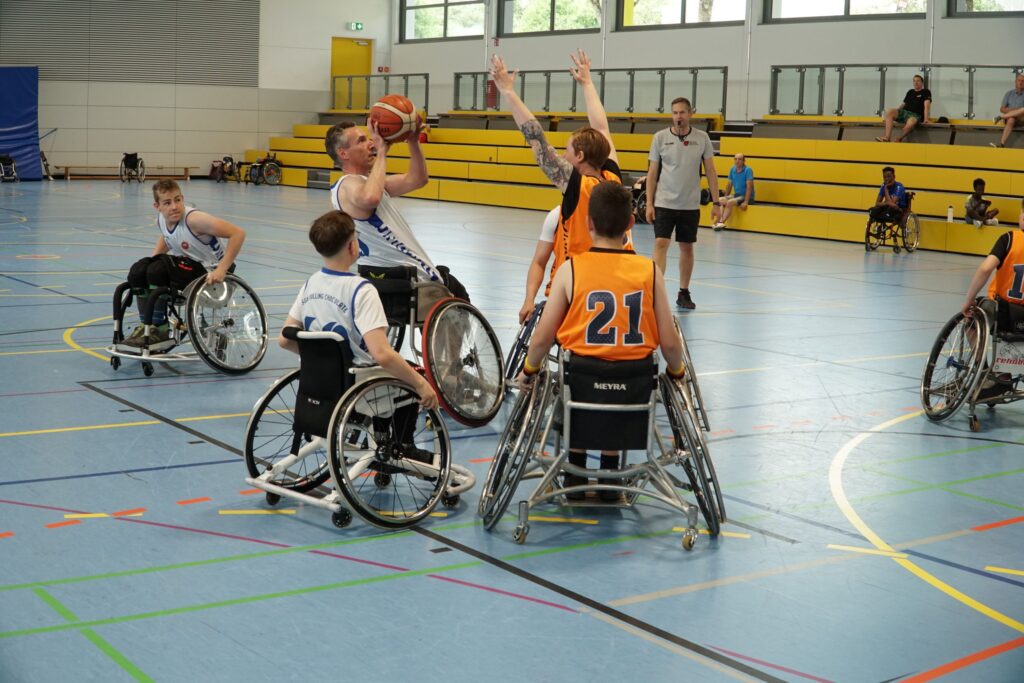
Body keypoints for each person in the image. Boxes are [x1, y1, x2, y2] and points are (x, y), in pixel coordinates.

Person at [518, 182, 685, 501]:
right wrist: (677, 374)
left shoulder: (571, 269)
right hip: (634, 386)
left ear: (589, 223)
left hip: (582, 382)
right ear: (631, 225)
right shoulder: (649, 270)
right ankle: (611, 475)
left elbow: (542, 338)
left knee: (573, 380)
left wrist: (528, 370)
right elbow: (670, 343)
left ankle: (575, 474)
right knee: (623, 386)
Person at [491, 49, 630, 304]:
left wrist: (508, 92)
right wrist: (587, 83)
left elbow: (537, 139)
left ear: (578, 156)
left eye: (566, 150)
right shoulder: (613, 176)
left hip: (578, 283)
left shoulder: (578, 183)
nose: (563, 156)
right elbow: (601, 127)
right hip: (618, 280)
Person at [279, 210, 438, 410]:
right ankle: (399, 439)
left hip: (318, 378)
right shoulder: (361, 290)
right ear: (352, 246)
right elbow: (382, 354)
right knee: (414, 375)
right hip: (356, 381)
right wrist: (421, 384)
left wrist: (323, 358)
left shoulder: (310, 284)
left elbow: (285, 340)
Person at [324, 120, 470, 302]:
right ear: (343, 153)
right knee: (457, 292)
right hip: (404, 277)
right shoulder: (348, 184)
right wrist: (382, 152)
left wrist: (414, 142)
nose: (370, 143)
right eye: (361, 141)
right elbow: (370, 198)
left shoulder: (367, 184)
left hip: (384, 276)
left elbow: (418, 179)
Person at [121, 179, 245, 347]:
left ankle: (160, 330)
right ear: (157, 207)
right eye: (167, 202)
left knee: (157, 270)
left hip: (214, 276)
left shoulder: (194, 219)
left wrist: (222, 269)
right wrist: (150, 263)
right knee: (139, 270)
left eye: (178, 200)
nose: (174, 206)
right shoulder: (161, 220)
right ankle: (147, 326)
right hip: (190, 270)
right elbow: (167, 237)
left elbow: (238, 233)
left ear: (183, 199)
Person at [645, 96, 720, 310]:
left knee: (687, 247)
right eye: (675, 112)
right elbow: (652, 173)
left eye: (682, 112)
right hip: (664, 202)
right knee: (661, 243)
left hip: (689, 204)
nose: (679, 116)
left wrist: (716, 202)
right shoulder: (659, 138)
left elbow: (711, 171)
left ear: (690, 114)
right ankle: (655, 291)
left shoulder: (702, 138)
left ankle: (684, 292)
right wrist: (649, 203)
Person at [959, 199, 1024, 398]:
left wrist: (968, 301)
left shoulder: (1011, 238)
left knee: (971, 318)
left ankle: (985, 372)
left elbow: (986, 268)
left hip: (1005, 313)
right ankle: (1001, 375)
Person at [518, 205, 560, 325]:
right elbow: (539, 262)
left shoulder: (607, 217)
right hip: (560, 296)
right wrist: (529, 299)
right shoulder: (556, 216)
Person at [877, 75, 932, 143]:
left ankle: (899, 139)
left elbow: (927, 106)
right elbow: (903, 104)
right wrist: (895, 112)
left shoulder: (926, 92)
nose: (915, 82)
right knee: (889, 111)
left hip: (915, 115)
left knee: (911, 122)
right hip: (904, 112)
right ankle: (887, 138)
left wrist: (926, 119)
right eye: (914, 81)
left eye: (918, 81)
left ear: (922, 82)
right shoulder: (910, 92)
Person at [711, 153, 754, 230]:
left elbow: (749, 187)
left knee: (730, 202)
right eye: (735, 159)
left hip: (746, 196)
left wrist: (746, 202)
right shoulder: (732, 169)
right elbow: (729, 185)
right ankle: (719, 220)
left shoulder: (748, 170)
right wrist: (725, 196)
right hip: (737, 195)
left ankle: (721, 222)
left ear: (744, 161)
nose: (737, 161)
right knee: (720, 200)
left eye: (740, 159)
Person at [991, 73, 1024, 149]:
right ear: (1015, 82)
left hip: (1022, 119)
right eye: (1019, 80)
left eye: (1023, 81)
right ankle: (1001, 144)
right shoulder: (1009, 93)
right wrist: (1014, 111)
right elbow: (1002, 109)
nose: (1021, 82)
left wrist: (1010, 110)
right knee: (1011, 119)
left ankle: (1000, 117)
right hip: (1010, 119)